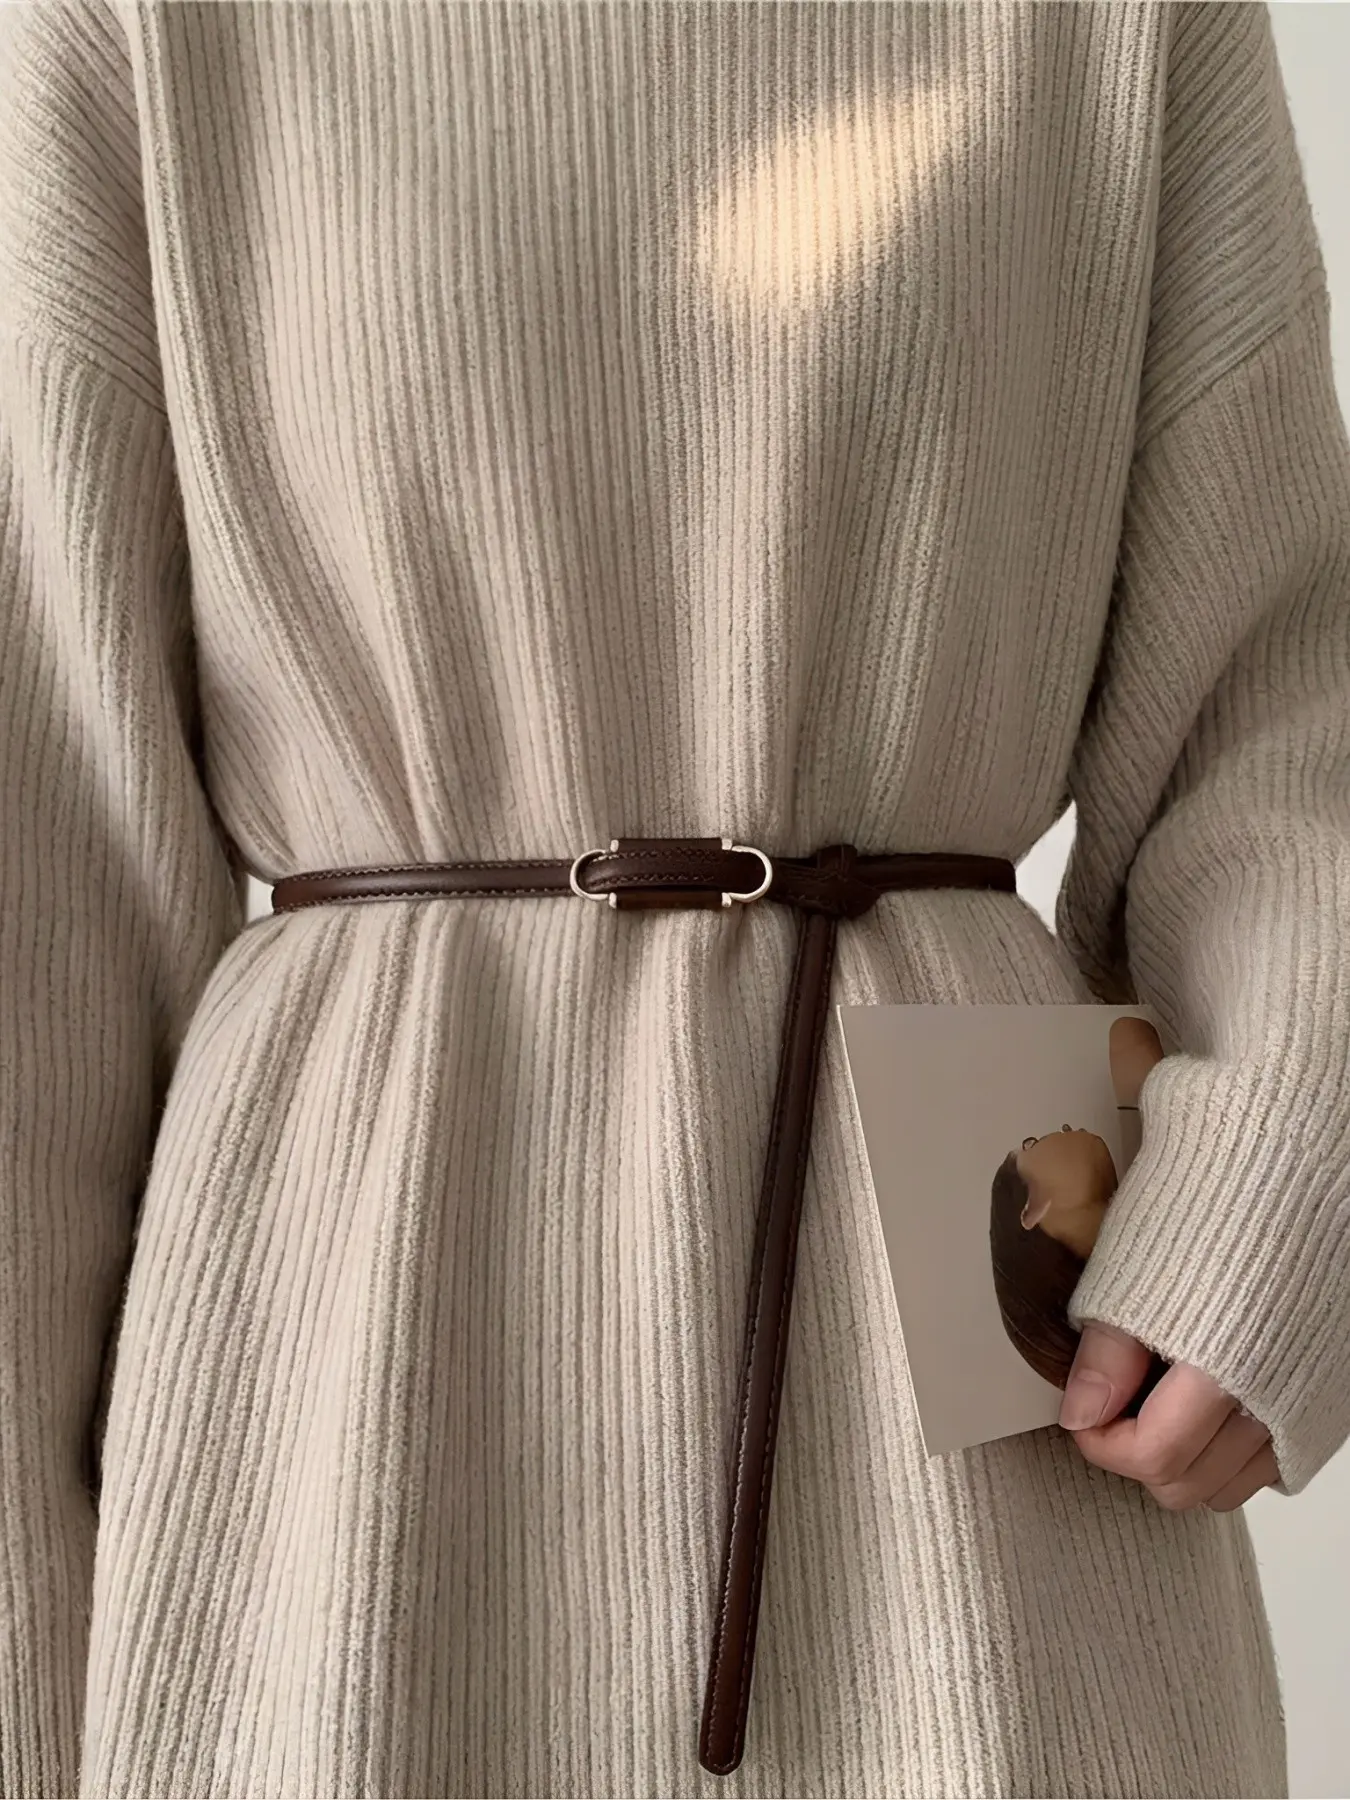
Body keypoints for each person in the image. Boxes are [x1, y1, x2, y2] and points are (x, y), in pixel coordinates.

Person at [2, 3, 1348, 1797]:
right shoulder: (135, 26)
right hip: (347, 1337)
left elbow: (1279, 699)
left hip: (967, 1364)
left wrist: (1283, 1184)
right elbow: (48, 857)